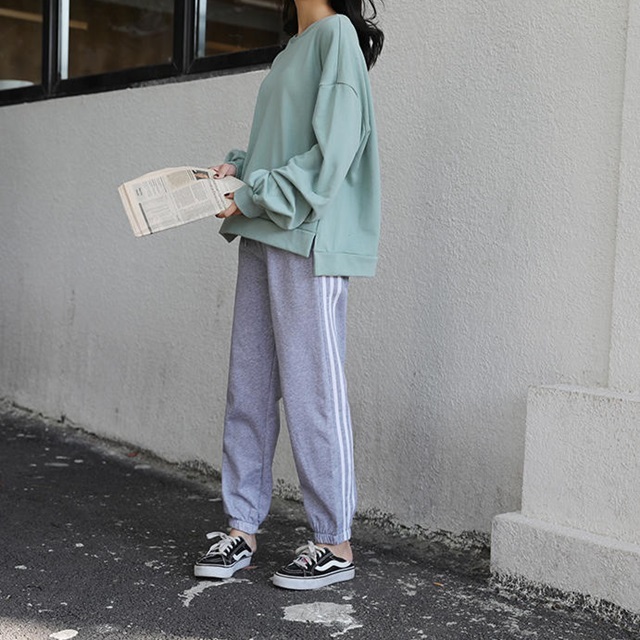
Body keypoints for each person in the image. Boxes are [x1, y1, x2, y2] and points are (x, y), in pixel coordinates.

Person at [193, 0, 384, 590]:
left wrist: (254, 192)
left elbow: (334, 152)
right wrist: (238, 171)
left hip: (308, 241)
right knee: (248, 387)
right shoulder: (290, 51)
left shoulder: (336, 35)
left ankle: (335, 542)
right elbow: (280, 149)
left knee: (313, 391)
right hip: (263, 232)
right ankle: (241, 527)